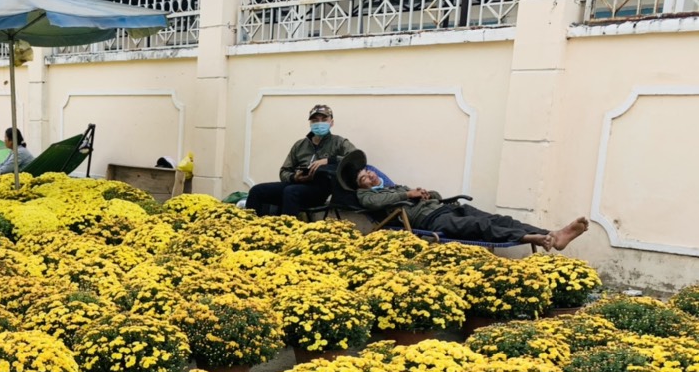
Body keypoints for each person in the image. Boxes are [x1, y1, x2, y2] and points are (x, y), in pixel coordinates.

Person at [340, 150, 589, 250]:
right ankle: (532, 238)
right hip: (431, 221)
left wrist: (428, 194)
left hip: (445, 208)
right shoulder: (366, 196)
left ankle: (553, 235)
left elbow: (429, 196)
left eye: (368, 171)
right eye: (363, 177)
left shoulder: (395, 185)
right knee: (480, 228)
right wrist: (409, 195)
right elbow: (373, 205)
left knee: (499, 218)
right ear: (360, 185)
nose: (369, 175)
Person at [247, 104, 357, 219]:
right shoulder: (300, 145)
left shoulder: (339, 142)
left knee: (291, 191)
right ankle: (251, 229)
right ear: (310, 124)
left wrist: (329, 160)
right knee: (257, 190)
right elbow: (284, 171)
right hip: (297, 184)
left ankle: (288, 232)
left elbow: (356, 158)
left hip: (320, 190)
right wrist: (295, 177)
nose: (319, 123)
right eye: (315, 120)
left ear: (331, 122)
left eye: (324, 119)